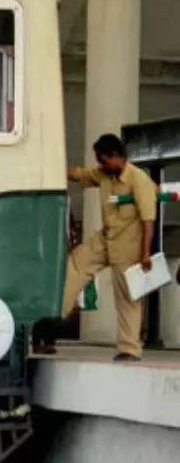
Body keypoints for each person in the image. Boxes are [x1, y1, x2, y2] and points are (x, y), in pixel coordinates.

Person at [36, 133, 157, 361]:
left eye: (103, 160)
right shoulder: (104, 175)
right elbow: (80, 174)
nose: (100, 165)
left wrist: (145, 253)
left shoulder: (139, 180)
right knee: (74, 265)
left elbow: (148, 220)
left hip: (129, 246)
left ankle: (129, 349)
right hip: (104, 239)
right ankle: (54, 316)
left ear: (116, 156)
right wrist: (50, 168)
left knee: (128, 298)